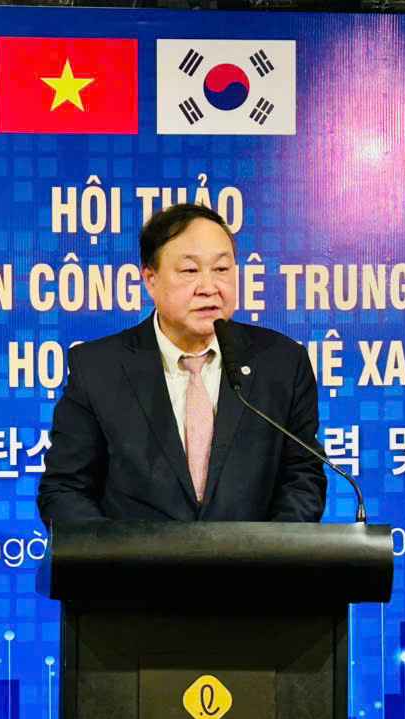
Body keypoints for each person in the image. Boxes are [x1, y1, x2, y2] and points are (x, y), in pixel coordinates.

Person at [37, 203, 327, 525]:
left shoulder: (282, 363)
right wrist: (118, 551)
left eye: (221, 269)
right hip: (134, 558)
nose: (209, 288)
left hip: (255, 558)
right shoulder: (98, 369)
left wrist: (270, 550)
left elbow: (303, 478)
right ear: (150, 279)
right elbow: (64, 490)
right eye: (190, 271)